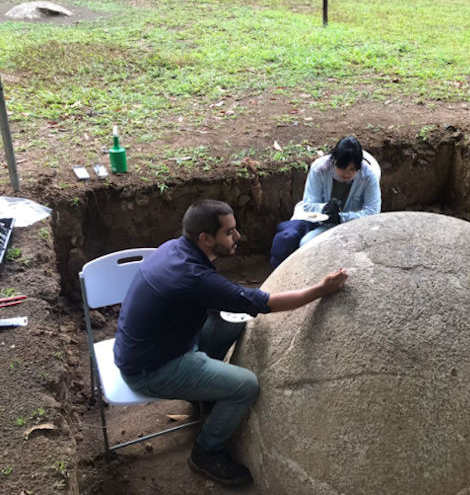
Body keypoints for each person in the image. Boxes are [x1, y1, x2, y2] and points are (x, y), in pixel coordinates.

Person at [113, 200, 348, 486]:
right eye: (230, 232)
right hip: (151, 368)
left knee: (230, 323)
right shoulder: (196, 277)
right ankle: (206, 451)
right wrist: (321, 290)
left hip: (153, 345)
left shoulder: (174, 250)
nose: (238, 237)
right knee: (245, 385)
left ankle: (203, 394)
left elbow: (213, 300)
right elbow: (266, 304)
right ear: (205, 238)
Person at [270, 136, 381, 267]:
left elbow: (373, 213)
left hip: (351, 225)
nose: (346, 173)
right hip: (315, 220)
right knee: (289, 239)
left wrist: (341, 218)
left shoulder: (369, 176)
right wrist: (325, 209)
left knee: (307, 244)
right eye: (342, 167)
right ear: (334, 161)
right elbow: (308, 204)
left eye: (352, 169)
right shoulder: (319, 169)